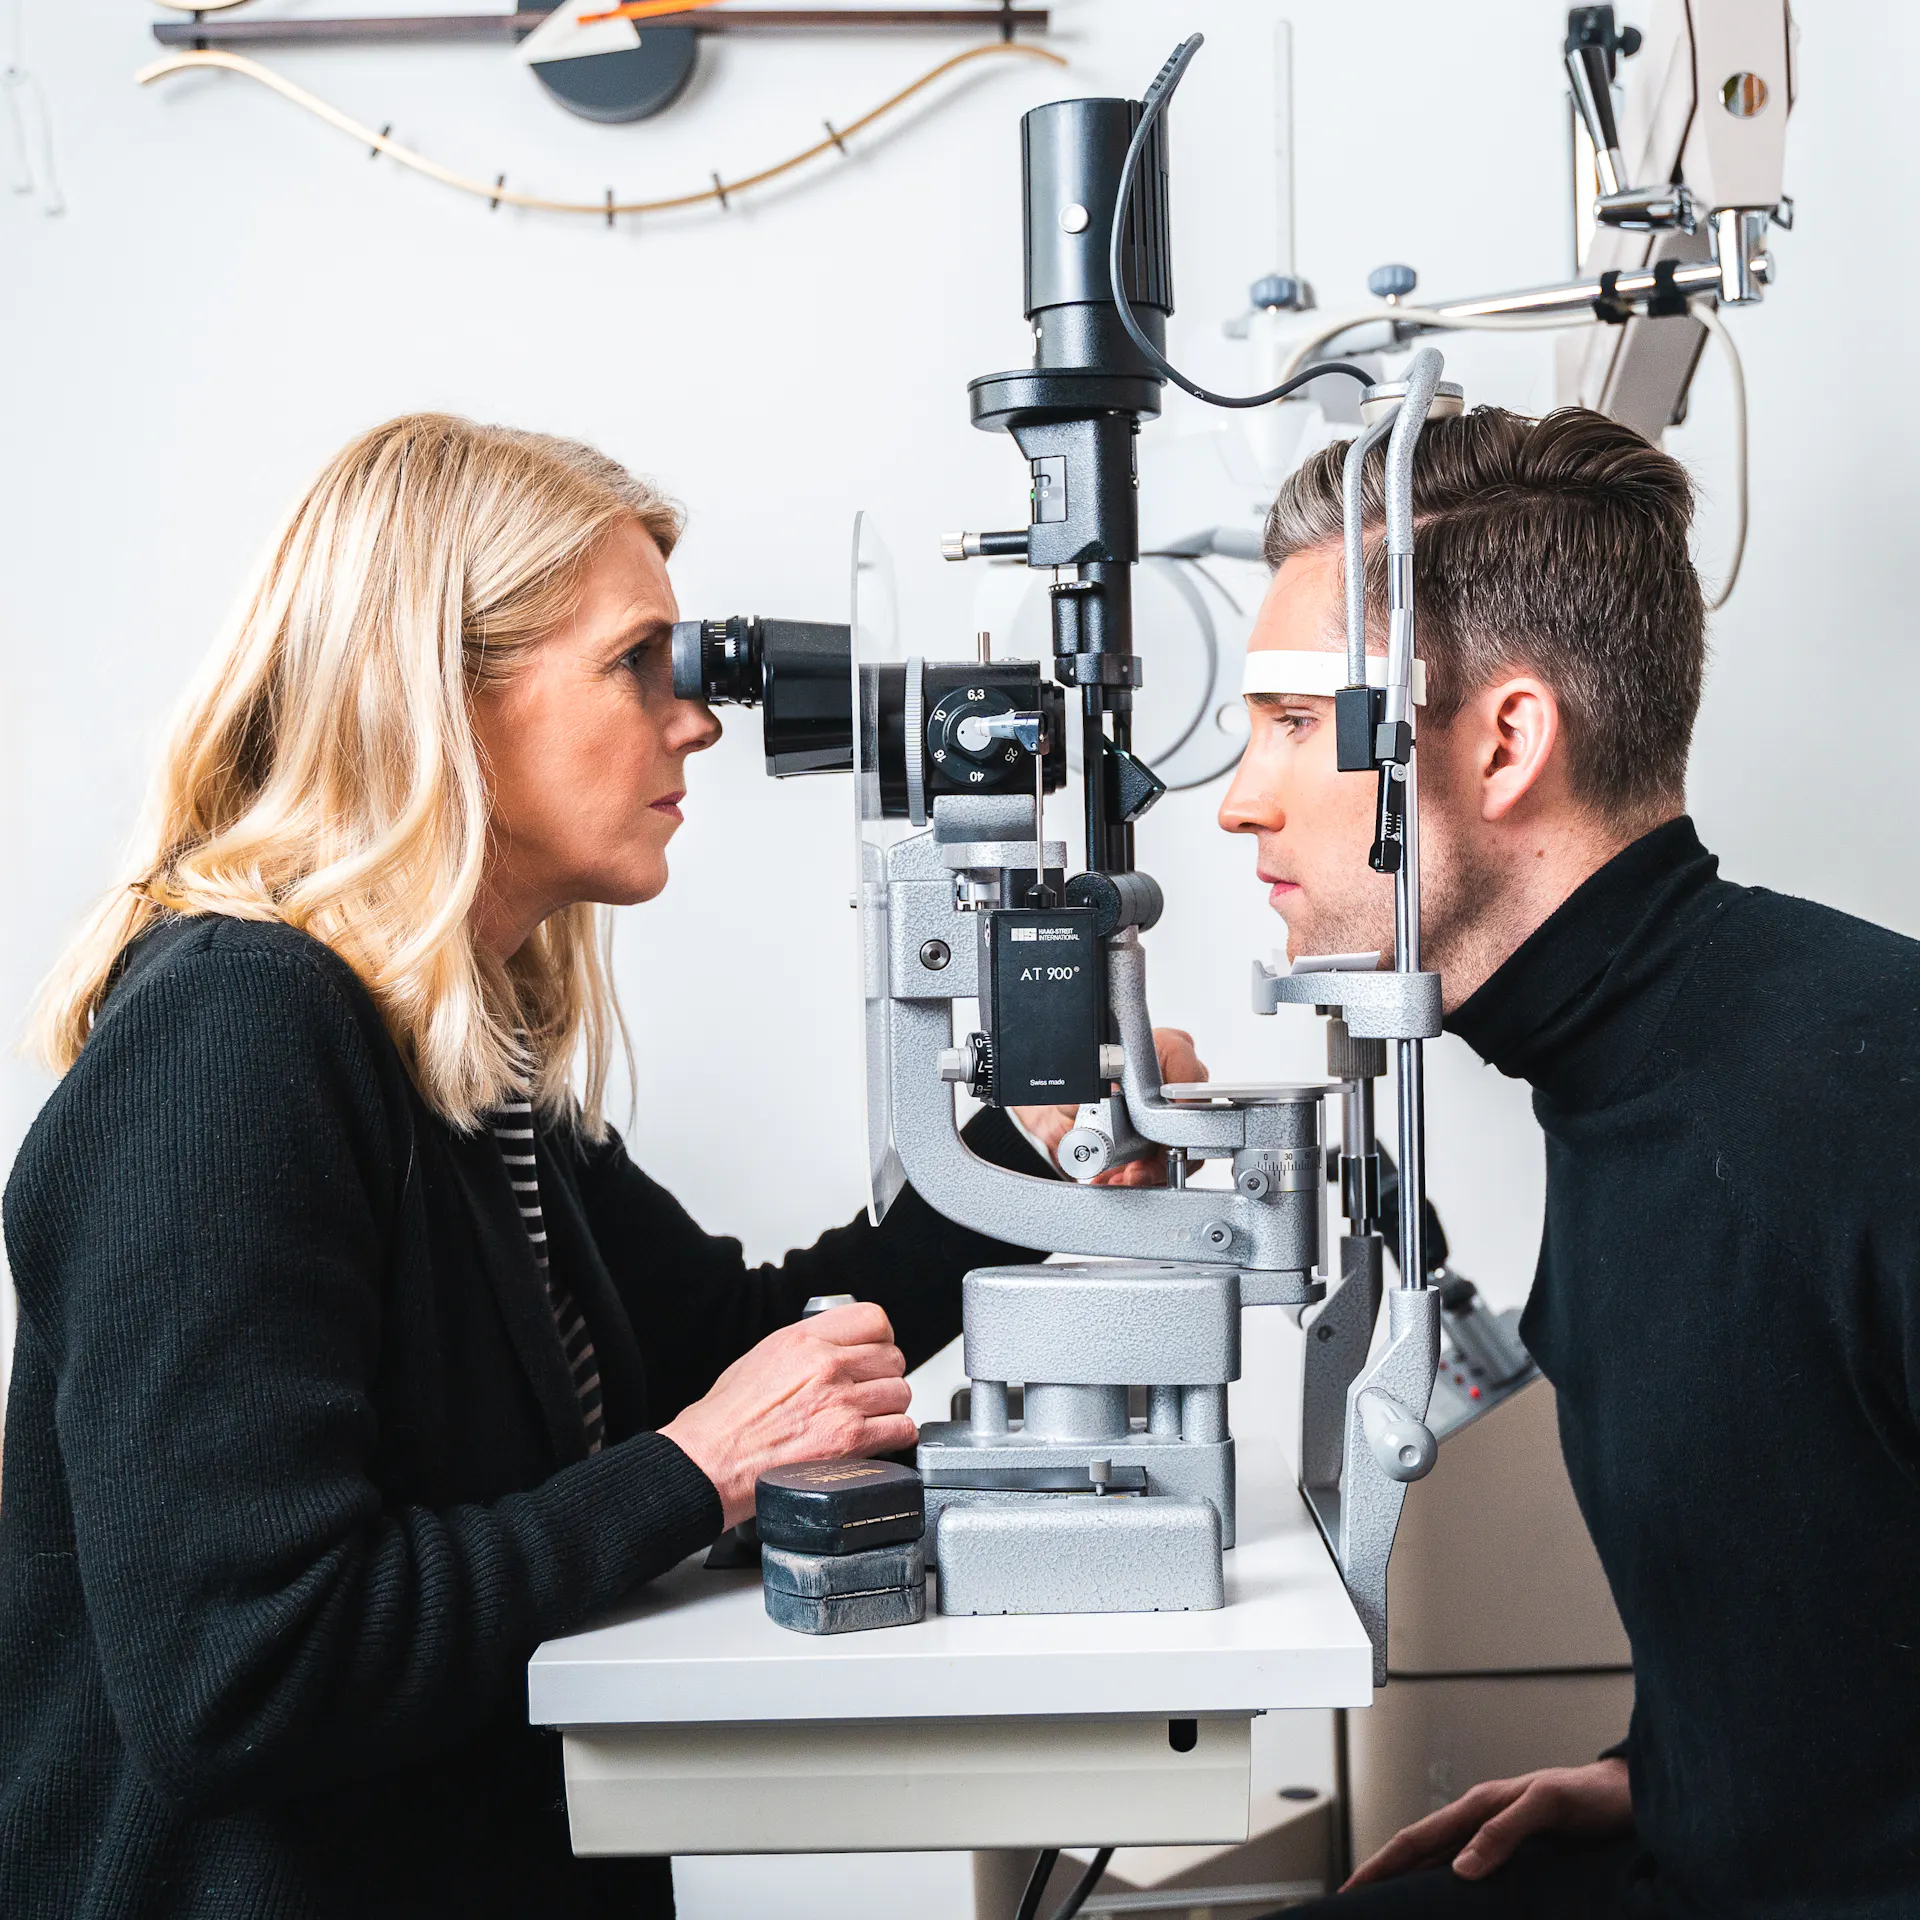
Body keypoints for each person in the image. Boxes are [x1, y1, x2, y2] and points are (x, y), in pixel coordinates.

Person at [0, 414, 1199, 1920]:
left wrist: (1033, 1163)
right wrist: (693, 1474)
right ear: (441, 692)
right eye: (638, 662)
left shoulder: (453, 1049)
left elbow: (726, 1343)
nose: (696, 721)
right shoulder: (233, 1040)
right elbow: (242, 1667)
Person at [1217, 408, 1920, 1917]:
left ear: (1506, 742)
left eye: (1292, 721)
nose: (1238, 798)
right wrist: (1676, 1770)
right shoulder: (1627, 1063)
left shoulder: (1872, 1086)